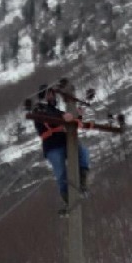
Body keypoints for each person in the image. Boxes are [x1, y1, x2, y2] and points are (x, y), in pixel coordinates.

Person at [32, 84, 90, 213]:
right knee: (61, 172)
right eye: (48, 94)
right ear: (43, 96)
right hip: (52, 145)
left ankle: (82, 182)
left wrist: (78, 116)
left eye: (52, 94)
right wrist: (64, 118)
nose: (51, 96)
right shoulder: (38, 109)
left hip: (66, 141)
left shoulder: (57, 111)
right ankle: (68, 198)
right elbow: (49, 120)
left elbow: (72, 121)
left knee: (83, 153)